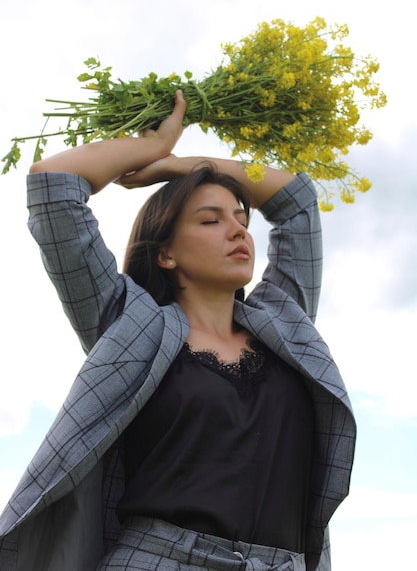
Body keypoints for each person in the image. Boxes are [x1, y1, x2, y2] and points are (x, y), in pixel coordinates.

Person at [0, 90, 356, 571]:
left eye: (240, 218)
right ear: (166, 254)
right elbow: (54, 183)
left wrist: (189, 165)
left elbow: (297, 201)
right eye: (210, 220)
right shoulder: (131, 324)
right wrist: (154, 150)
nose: (237, 231)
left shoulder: (283, 324)